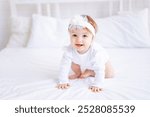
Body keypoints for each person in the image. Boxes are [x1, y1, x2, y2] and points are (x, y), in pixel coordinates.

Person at [57, 15, 114, 93]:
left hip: (99, 62)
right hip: (79, 60)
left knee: (110, 74)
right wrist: (63, 81)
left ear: (92, 38)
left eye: (84, 36)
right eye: (74, 35)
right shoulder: (69, 50)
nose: (79, 40)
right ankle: (78, 73)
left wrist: (97, 84)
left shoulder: (97, 52)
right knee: (71, 62)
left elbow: (100, 69)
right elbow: (64, 66)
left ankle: (90, 72)